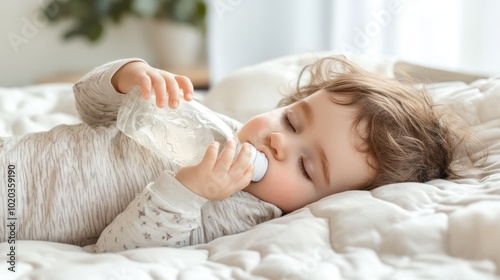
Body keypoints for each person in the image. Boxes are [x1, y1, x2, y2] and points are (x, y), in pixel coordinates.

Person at [0, 56, 481, 253]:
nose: (279, 143)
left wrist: (186, 193)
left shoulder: (235, 213)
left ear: (319, 201)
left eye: (306, 166)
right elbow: (90, 105)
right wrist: (129, 76)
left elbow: (117, 249)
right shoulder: (214, 125)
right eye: (292, 121)